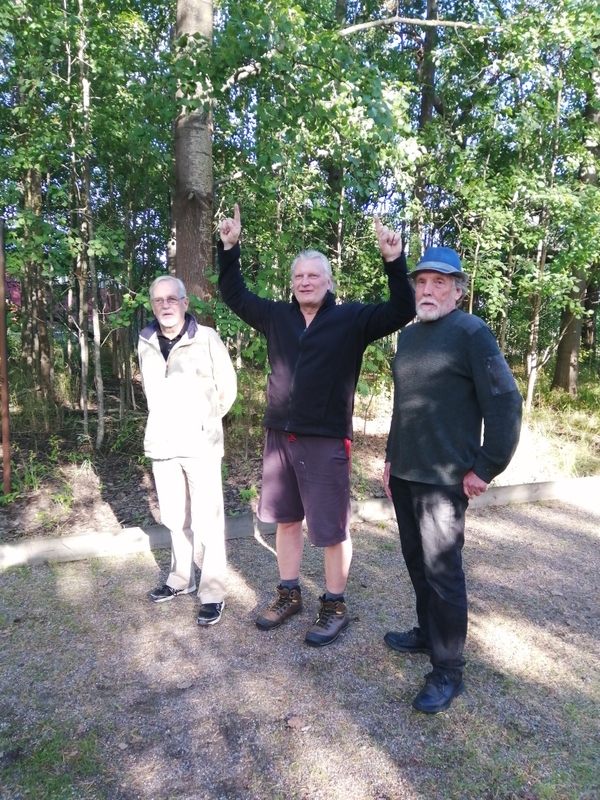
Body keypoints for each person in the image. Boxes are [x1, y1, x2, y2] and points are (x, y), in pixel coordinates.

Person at [218, 204, 416, 646]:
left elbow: (401, 309)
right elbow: (235, 295)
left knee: (330, 529)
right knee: (287, 521)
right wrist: (229, 249)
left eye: (313, 275)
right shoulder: (276, 316)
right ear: (292, 283)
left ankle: (334, 604)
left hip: (325, 440)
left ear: (329, 282)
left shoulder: (352, 319)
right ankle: (289, 594)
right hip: (280, 437)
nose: (305, 281)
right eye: (298, 276)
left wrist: (394, 261)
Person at [383, 245, 523, 713]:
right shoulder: (408, 337)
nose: (427, 290)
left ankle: (448, 671)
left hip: (444, 480)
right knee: (416, 563)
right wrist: (390, 458)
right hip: (406, 473)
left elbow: (505, 401)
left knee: (443, 574)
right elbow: (403, 405)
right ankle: (428, 633)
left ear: (458, 291)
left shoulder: (471, 333)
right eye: (421, 282)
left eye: (439, 283)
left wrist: (487, 466)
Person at [138, 275, 237, 627]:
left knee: (208, 521)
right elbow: (150, 392)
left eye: (171, 299)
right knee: (174, 518)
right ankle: (181, 579)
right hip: (162, 445)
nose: (165, 305)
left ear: (184, 303)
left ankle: (212, 593)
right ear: (152, 305)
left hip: (200, 445)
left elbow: (227, 389)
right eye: (158, 300)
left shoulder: (206, 337)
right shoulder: (146, 341)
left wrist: (203, 422)